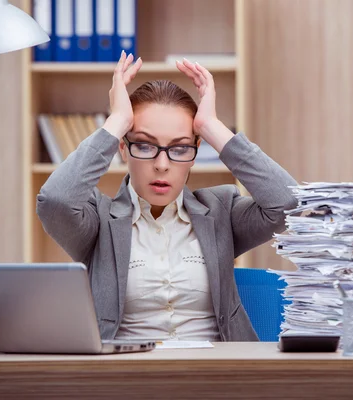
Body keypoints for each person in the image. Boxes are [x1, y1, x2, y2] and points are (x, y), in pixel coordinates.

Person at [36, 51, 298, 342]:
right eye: (146, 146)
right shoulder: (97, 221)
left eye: (180, 148)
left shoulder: (221, 211)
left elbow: (287, 203)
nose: (162, 165)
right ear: (122, 149)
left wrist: (212, 128)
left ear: (196, 152)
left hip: (215, 376)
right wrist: (117, 122)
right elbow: (56, 201)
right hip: (127, 378)